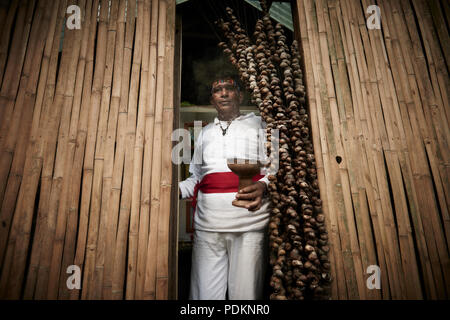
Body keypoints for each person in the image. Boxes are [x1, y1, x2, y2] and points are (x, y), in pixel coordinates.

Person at [178, 76, 271, 300]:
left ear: (240, 95)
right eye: (217, 90)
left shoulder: (262, 124)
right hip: (208, 227)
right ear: (212, 100)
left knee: (246, 298)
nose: (224, 93)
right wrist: (172, 189)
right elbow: (196, 178)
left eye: (230, 88)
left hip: (250, 225)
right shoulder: (205, 133)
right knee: (203, 299)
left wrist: (263, 184)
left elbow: (278, 168)